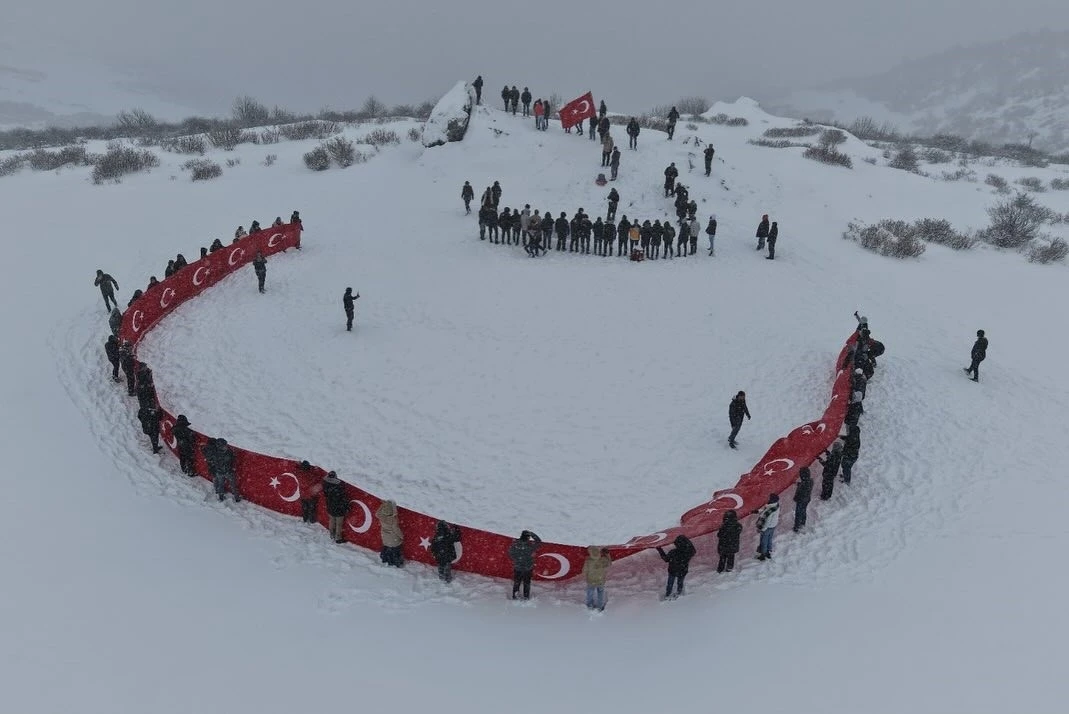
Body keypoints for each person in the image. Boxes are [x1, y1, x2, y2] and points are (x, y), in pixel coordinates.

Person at [656, 535, 695, 599]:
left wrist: (660, 549)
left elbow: (666, 559)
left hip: (672, 571)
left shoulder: (673, 552)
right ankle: (679, 592)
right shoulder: (689, 552)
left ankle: (668, 594)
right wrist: (688, 542)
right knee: (680, 583)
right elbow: (693, 550)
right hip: (683, 570)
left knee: (670, 583)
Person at [508, 529, 542, 600]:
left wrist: (517, 560)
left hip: (518, 567)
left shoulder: (515, 544)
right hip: (528, 567)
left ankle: (515, 596)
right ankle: (526, 596)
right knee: (527, 583)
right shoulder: (530, 546)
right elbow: (538, 542)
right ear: (528, 537)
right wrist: (532, 533)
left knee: (517, 582)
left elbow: (510, 553)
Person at [204, 437, 239, 502]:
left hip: (220, 472)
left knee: (222, 485)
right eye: (224, 445)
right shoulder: (228, 452)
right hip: (227, 472)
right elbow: (232, 459)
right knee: (231, 485)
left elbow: (212, 460)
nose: (226, 446)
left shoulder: (215, 453)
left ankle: (222, 497)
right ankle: (235, 497)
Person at [321, 471, 349, 543]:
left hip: (330, 506)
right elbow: (342, 498)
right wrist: (346, 507)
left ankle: (331, 534)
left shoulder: (325, 484)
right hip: (338, 508)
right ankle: (338, 538)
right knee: (339, 524)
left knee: (331, 520)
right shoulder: (339, 486)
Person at [376, 499, 404, 567]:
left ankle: (385, 558)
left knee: (387, 548)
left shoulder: (381, 516)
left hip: (385, 537)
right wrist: (402, 536)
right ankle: (395, 562)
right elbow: (396, 530)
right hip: (393, 538)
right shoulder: (393, 520)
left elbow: (377, 512)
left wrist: (383, 505)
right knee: (394, 551)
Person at [582, 546, 611, 611]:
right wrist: (607, 554)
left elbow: (584, 571)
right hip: (600, 581)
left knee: (590, 594)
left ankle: (590, 606)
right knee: (600, 594)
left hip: (590, 581)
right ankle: (600, 607)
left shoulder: (588, 561)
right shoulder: (603, 560)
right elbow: (609, 563)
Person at [755, 494, 780, 560]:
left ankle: (763, 555)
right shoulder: (776, 506)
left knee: (764, 541)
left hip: (767, 527)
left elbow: (767, 522)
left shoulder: (770, 510)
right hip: (773, 526)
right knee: (769, 539)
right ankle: (768, 552)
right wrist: (757, 511)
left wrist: (762, 529)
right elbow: (765, 511)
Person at [793, 467, 813, 532]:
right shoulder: (810, 481)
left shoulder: (804, 483)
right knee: (803, 511)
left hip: (801, 500)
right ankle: (802, 523)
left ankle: (797, 526)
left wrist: (796, 498)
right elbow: (805, 485)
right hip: (806, 499)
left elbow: (801, 491)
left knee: (798, 513)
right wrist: (799, 484)